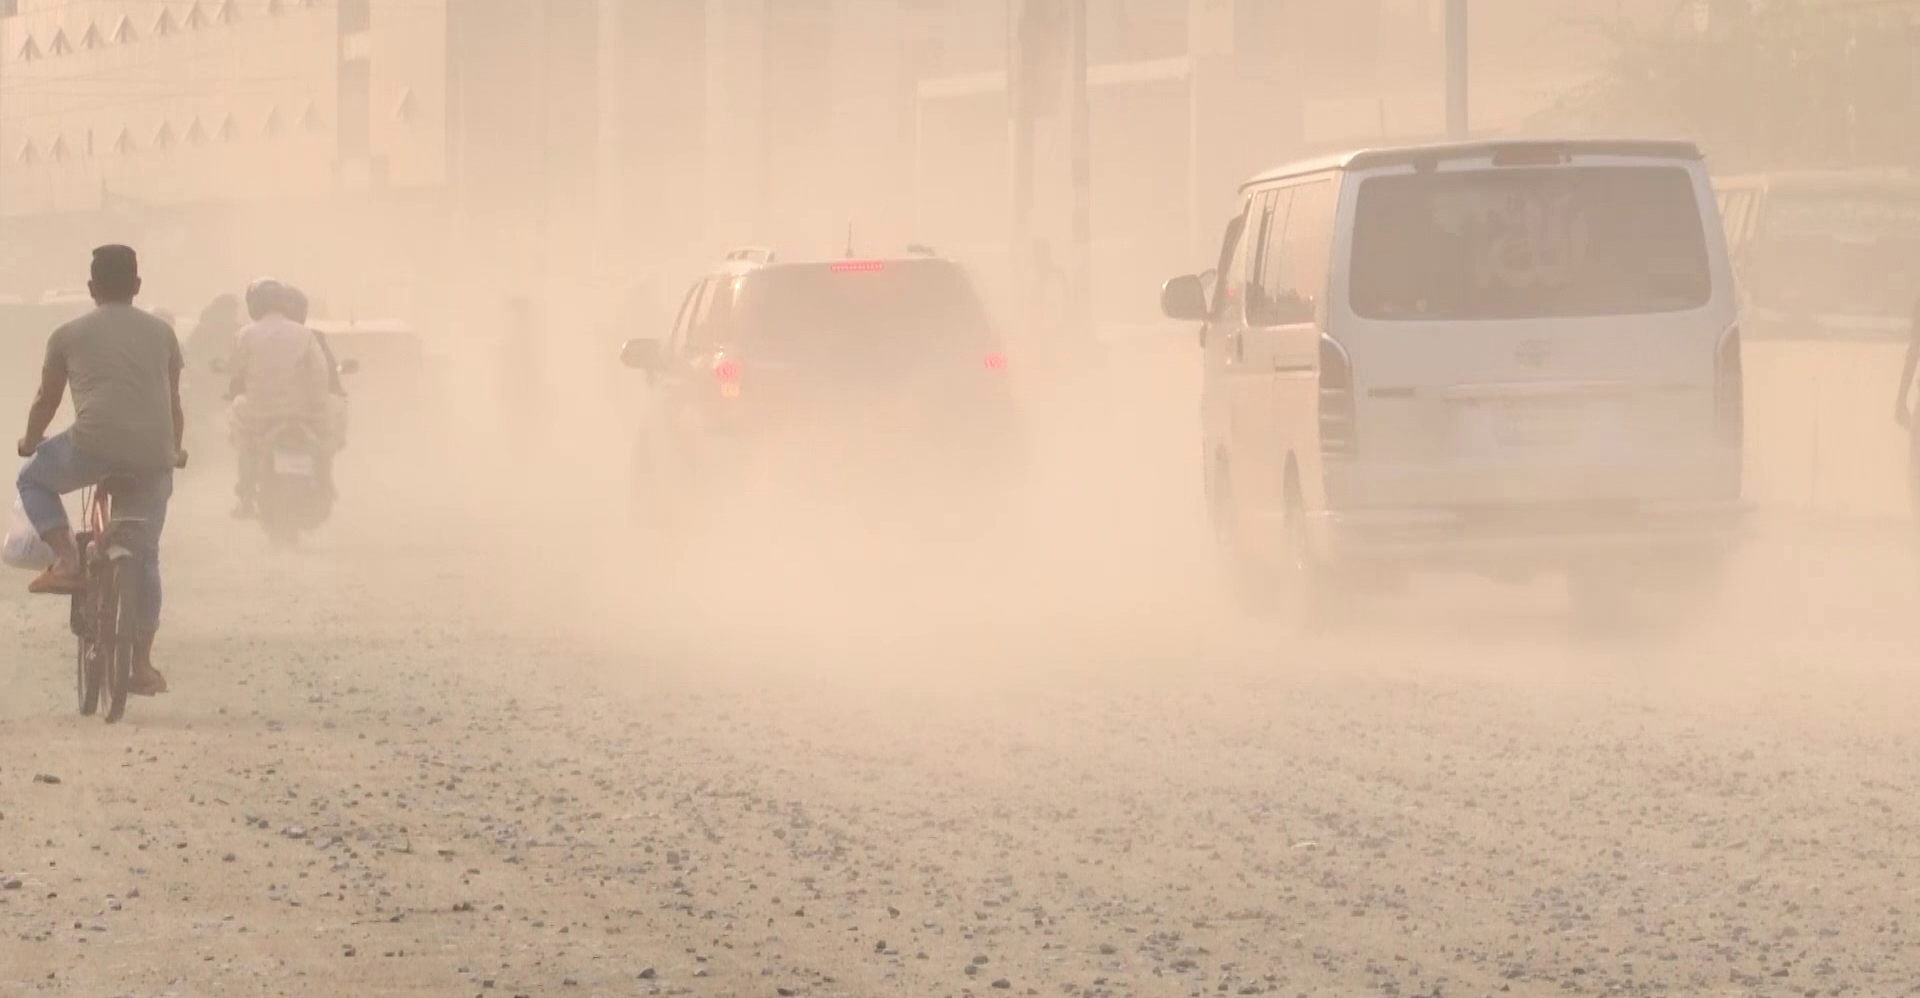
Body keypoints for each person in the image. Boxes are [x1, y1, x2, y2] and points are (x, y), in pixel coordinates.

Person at [15, 245, 185, 697]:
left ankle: (67, 557)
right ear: (137, 286)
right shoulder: (163, 333)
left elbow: (45, 402)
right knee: (146, 554)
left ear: (91, 288)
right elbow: (173, 404)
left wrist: (31, 442)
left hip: (91, 448)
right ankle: (142, 665)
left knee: (31, 478)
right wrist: (177, 449)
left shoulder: (67, 334)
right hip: (153, 454)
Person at [227, 278, 331, 518]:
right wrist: (316, 404)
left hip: (258, 415)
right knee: (322, 442)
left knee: (243, 440)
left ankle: (245, 497)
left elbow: (236, 371)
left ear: (255, 306)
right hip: (301, 414)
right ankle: (324, 484)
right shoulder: (304, 333)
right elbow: (319, 372)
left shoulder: (245, 334)